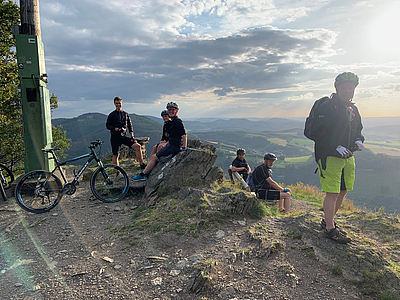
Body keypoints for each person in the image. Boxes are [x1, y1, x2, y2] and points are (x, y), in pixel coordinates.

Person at [311, 72, 364, 244]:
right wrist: (335, 146)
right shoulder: (327, 106)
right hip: (330, 156)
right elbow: (316, 131)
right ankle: (329, 229)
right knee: (332, 192)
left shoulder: (353, 108)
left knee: (343, 190)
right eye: (345, 87)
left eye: (351, 87)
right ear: (337, 88)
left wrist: (358, 140)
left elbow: (357, 130)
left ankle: (328, 220)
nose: (348, 90)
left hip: (348, 156)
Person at [132, 102, 187, 181]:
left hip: (174, 146)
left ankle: (143, 174)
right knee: (155, 154)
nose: (171, 111)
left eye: (172, 110)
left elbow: (184, 134)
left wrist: (184, 148)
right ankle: (148, 168)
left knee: (155, 157)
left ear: (176, 111)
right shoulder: (172, 121)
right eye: (169, 110)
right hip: (172, 144)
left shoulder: (177, 121)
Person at [106, 96, 146, 169]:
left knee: (138, 146)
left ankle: (142, 164)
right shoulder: (111, 115)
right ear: (114, 104)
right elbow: (108, 126)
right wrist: (116, 129)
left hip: (124, 136)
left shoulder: (126, 114)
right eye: (117, 103)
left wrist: (132, 137)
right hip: (115, 137)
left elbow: (130, 126)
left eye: (120, 103)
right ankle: (117, 171)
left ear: (122, 103)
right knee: (116, 155)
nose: (118, 105)